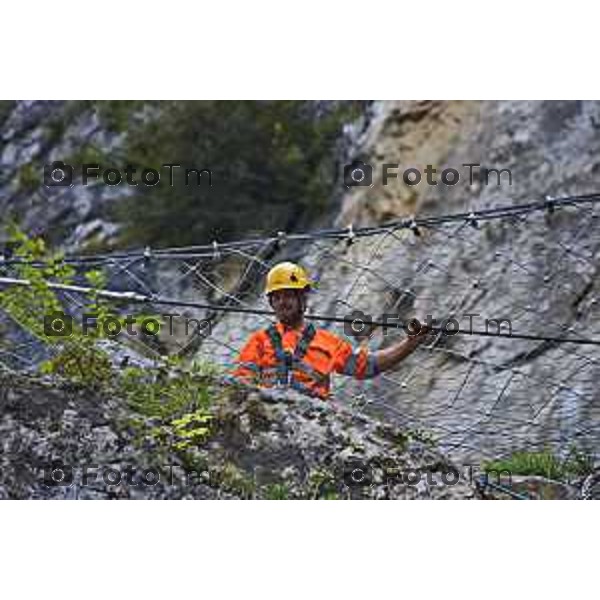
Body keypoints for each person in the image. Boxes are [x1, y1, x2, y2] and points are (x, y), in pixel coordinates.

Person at [232, 261, 429, 399]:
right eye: (277, 297)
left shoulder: (328, 343)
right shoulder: (259, 341)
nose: (282, 302)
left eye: (289, 295)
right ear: (271, 302)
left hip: (311, 418)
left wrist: (410, 344)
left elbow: (368, 366)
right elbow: (241, 383)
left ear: (303, 298)